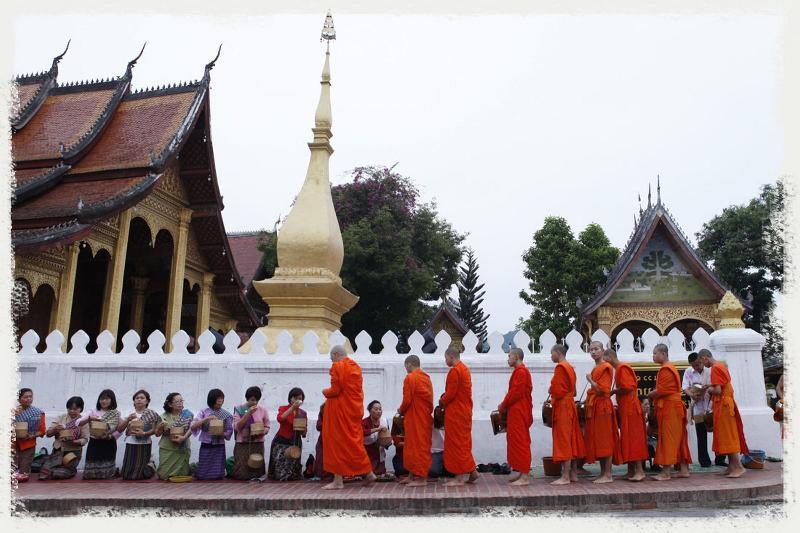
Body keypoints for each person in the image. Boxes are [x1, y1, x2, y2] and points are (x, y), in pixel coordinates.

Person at [321, 345, 376, 489]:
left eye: (331, 358)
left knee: (337, 443)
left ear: (337, 354)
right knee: (353, 443)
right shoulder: (355, 367)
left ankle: (338, 481)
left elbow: (335, 390)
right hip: (352, 411)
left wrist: (325, 392)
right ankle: (368, 473)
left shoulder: (338, 366)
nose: (331, 361)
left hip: (340, 412)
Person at [698, 348, 749, 478]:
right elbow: (722, 385)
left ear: (705, 358)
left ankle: (738, 467)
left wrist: (708, 389)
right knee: (724, 434)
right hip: (726, 403)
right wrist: (710, 385)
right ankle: (731, 466)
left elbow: (718, 390)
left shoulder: (715, 368)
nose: (703, 365)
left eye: (702, 362)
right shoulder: (721, 366)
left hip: (724, 404)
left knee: (727, 435)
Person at [648, 343, 691, 480]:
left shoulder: (666, 369)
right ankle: (683, 469)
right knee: (678, 439)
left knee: (669, 438)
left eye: (655, 353)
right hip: (674, 408)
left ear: (664, 354)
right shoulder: (668, 368)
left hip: (671, 408)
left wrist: (651, 394)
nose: (653, 356)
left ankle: (666, 472)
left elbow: (663, 391)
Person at [605, 349, 648, 481]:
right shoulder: (619, 369)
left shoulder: (622, 368)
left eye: (605, 358)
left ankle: (640, 471)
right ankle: (631, 471)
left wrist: (614, 391)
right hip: (625, 408)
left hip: (631, 409)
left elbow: (628, 387)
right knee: (627, 439)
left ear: (610, 357)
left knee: (634, 440)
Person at [439, 346, 479, 486]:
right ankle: (472, 472)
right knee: (463, 443)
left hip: (456, 413)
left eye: (446, 358)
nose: (445, 361)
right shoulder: (465, 369)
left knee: (456, 444)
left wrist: (441, 401)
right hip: (464, 411)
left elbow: (450, 394)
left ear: (451, 357)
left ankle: (459, 477)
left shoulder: (455, 371)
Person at [584, 341, 622, 484]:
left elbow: (602, 390)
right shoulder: (597, 367)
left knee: (605, 439)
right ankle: (602, 473)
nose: (593, 352)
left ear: (602, 350)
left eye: (596, 349)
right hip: (595, 406)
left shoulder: (606, 367)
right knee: (598, 440)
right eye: (591, 350)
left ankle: (608, 474)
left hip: (603, 406)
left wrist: (590, 381)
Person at [549, 343, 586, 485]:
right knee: (571, 438)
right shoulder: (570, 368)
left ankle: (565, 476)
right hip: (570, 405)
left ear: (558, 353)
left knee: (564, 439)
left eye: (552, 353)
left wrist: (551, 390)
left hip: (563, 407)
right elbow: (574, 392)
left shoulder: (560, 367)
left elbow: (558, 392)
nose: (551, 356)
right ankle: (573, 473)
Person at [682, 352, 725, 467]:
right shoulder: (688, 372)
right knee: (701, 435)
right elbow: (685, 387)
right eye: (693, 365)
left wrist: (707, 388)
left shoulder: (710, 370)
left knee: (719, 433)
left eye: (698, 364)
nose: (696, 367)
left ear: (701, 360)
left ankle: (720, 459)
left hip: (712, 404)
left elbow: (717, 386)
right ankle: (704, 461)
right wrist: (692, 394)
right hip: (698, 406)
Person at [497, 347, 533, 486]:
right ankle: (521, 473)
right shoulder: (518, 372)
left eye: (509, 355)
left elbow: (515, 393)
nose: (508, 358)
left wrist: (503, 405)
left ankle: (524, 477)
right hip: (516, 410)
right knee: (516, 441)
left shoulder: (522, 372)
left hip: (520, 410)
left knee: (521, 441)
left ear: (517, 356)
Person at [397, 354, 433, 487]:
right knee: (415, 446)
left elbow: (407, 400)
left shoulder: (410, 378)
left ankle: (422, 478)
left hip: (414, 417)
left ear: (409, 365)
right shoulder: (426, 378)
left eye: (405, 366)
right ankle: (411, 475)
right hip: (423, 417)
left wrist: (400, 410)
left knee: (417, 447)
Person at [40, 396, 90, 480]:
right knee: (43, 472)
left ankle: (69, 469)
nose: (72, 411)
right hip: (58, 451)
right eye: (69, 409)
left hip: (72, 454)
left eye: (75, 409)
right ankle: (54, 468)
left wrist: (73, 441)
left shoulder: (83, 421)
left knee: (60, 474)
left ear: (80, 409)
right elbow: (48, 434)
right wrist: (56, 429)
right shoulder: (61, 418)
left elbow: (85, 440)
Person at [117, 389, 161, 480]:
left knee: (140, 475)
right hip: (131, 442)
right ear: (134, 401)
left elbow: (154, 430)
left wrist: (144, 433)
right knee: (126, 474)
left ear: (147, 401)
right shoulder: (129, 413)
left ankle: (151, 465)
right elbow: (120, 429)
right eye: (137, 398)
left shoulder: (151, 413)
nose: (139, 400)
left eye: (142, 398)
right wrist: (128, 419)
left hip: (145, 443)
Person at [191, 388, 233, 480]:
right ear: (211, 399)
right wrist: (207, 419)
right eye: (218, 398)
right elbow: (193, 426)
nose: (220, 400)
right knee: (204, 465)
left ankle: (217, 476)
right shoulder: (204, 412)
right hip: (206, 442)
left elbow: (229, 430)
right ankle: (203, 475)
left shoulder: (226, 415)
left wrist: (221, 433)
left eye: (222, 398)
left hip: (219, 443)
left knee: (217, 467)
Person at [79, 389, 121, 479]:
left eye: (107, 399)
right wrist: (90, 419)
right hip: (95, 442)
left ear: (112, 400)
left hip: (108, 443)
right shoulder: (93, 412)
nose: (104, 401)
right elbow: (79, 423)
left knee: (107, 473)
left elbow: (120, 429)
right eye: (101, 399)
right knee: (90, 473)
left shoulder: (115, 413)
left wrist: (111, 436)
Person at [268, 387, 307, 481]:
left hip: (296, 441)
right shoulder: (283, 408)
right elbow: (280, 419)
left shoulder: (302, 413)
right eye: (295, 398)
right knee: (281, 466)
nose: (297, 400)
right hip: (283, 440)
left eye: (300, 398)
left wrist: (302, 430)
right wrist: (292, 408)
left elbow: (304, 431)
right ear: (290, 398)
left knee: (293, 467)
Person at [233, 386, 270, 480]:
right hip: (243, 443)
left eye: (257, 400)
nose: (254, 402)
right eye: (252, 400)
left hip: (258, 442)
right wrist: (247, 414)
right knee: (242, 473)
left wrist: (263, 431)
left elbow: (267, 425)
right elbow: (236, 427)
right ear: (247, 398)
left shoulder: (262, 410)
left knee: (257, 468)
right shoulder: (239, 409)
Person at [155, 392, 194, 480]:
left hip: (182, 447)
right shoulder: (163, 417)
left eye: (181, 401)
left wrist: (184, 437)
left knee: (183, 474)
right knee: (164, 475)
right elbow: (157, 434)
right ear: (170, 404)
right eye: (177, 401)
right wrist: (160, 427)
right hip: (168, 448)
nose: (180, 403)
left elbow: (192, 428)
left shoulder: (188, 415)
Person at [13, 388, 46, 481]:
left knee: (23, 475)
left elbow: (42, 431)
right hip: (13, 444)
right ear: (19, 399)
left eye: (30, 397)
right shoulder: (13, 411)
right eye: (25, 397)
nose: (28, 399)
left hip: (28, 445)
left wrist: (30, 435)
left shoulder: (38, 413)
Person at [362, 400, 391, 475]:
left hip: (379, 452)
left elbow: (387, 439)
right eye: (376, 409)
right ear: (370, 410)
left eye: (380, 409)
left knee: (379, 472)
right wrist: (376, 429)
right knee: (367, 473)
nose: (378, 411)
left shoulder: (384, 421)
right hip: (367, 452)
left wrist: (387, 443)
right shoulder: (364, 422)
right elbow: (362, 432)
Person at [313, 402, 332, 482]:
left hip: (335, 439)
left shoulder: (340, 409)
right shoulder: (323, 408)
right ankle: (322, 475)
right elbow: (318, 425)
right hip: (323, 439)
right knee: (321, 457)